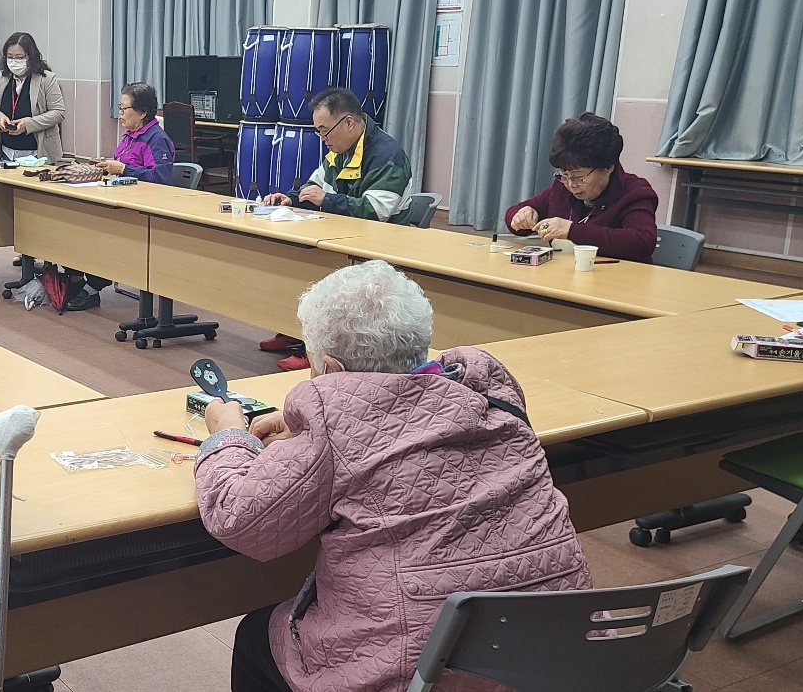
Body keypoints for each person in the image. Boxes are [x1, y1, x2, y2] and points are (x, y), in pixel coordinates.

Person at [194, 260, 590, 692]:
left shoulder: (332, 427)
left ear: (331, 369)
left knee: (256, 637)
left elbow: (239, 521)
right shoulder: (491, 395)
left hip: (427, 672)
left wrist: (228, 435)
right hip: (561, 657)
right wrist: (310, 432)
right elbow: (396, 423)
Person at [258, 88, 412, 371]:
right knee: (295, 257)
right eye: (319, 132)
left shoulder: (387, 155)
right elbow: (315, 186)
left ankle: (316, 349)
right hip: (345, 234)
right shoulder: (339, 150)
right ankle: (293, 329)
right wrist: (291, 198)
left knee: (319, 267)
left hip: (382, 242)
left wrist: (326, 200)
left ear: (349, 122)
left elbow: (376, 211)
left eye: (324, 131)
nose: (323, 139)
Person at [63, 82, 175, 312]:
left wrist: (123, 169)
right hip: (118, 201)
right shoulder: (129, 136)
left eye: (124, 108)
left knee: (104, 235)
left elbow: (160, 179)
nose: (120, 113)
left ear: (142, 112)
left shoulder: (156, 139)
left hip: (139, 211)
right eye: (120, 107)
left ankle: (91, 288)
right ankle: (75, 278)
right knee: (73, 222)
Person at [504, 113, 659, 263]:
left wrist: (571, 230)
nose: (571, 184)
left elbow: (642, 242)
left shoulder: (635, 192)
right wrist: (521, 216)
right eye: (564, 175)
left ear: (608, 167)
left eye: (578, 177)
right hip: (565, 274)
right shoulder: (561, 187)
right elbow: (516, 215)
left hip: (618, 276)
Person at [0, 32, 66, 163]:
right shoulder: (2, 77)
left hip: (37, 153)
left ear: (30, 57)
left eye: (19, 57)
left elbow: (58, 112)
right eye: (10, 57)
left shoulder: (47, 79)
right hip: (6, 151)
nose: (14, 62)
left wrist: (27, 124)